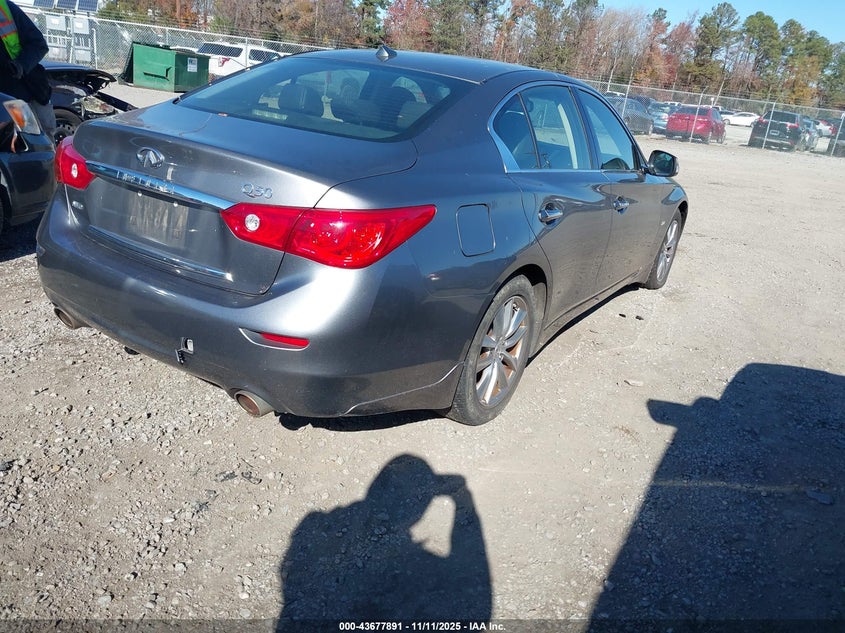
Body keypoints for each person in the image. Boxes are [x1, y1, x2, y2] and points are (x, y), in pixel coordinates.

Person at [0, 0, 56, 141]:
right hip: (9, 101)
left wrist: (21, 64)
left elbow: (39, 44)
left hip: (33, 91)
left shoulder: (6, 9)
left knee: (43, 142)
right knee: (24, 144)